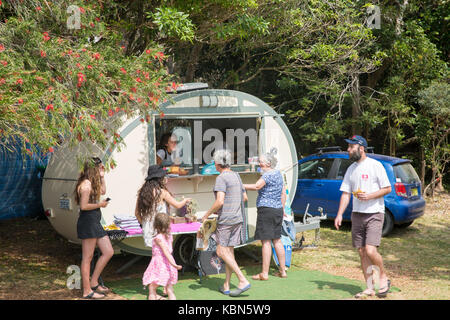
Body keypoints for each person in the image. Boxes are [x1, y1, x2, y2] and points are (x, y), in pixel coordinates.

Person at [334, 135, 392, 298]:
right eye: (348, 147)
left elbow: (387, 188)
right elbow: (346, 193)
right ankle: (369, 287)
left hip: (374, 212)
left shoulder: (375, 165)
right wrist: (339, 214)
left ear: (361, 148)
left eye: (350, 147)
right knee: (361, 251)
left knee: (371, 250)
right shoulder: (351, 169)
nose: (348, 150)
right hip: (357, 214)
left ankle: (383, 277)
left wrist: (371, 196)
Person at [201, 149, 251, 297]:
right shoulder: (236, 175)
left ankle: (242, 280)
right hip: (237, 218)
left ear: (217, 164)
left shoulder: (221, 178)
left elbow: (220, 201)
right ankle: (227, 285)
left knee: (221, 251)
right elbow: (245, 198)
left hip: (226, 220)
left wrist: (206, 215)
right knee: (229, 252)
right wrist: (231, 204)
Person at [243, 152, 288, 280]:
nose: (259, 163)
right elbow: (283, 193)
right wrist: (282, 208)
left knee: (266, 241)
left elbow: (257, 186)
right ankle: (283, 271)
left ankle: (264, 273)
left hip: (266, 210)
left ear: (268, 163)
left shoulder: (267, 175)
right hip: (278, 209)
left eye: (261, 161)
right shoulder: (278, 174)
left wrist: (241, 185)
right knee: (277, 240)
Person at [74, 157, 114, 299]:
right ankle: (87, 291)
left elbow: (103, 191)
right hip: (88, 222)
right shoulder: (85, 185)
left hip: (94, 222)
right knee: (88, 257)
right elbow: (84, 206)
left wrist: (103, 177)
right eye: (100, 167)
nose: (102, 169)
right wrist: (100, 205)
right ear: (93, 168)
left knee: (108, 251)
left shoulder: (91, 182)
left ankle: (94, 281)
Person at [135, 164, 191, 248]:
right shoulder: (161, 193)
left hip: (148, 232)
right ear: (159, 179)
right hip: (160, 230)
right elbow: (177, 205)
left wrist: (144, 224)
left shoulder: (142, 193)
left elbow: (137, 213)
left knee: (155, 257)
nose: (165, 178)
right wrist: (185, 200)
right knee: (163, 257)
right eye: (163, 176)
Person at [142, 213, 183, 300]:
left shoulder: (158, 238)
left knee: (152, 288)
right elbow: (170, 250)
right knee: (170, 289)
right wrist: (173, 264)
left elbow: (166, 252)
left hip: (160, 265)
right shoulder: (169, 236)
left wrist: (174, 264)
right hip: (169, 265)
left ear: (156, 225)